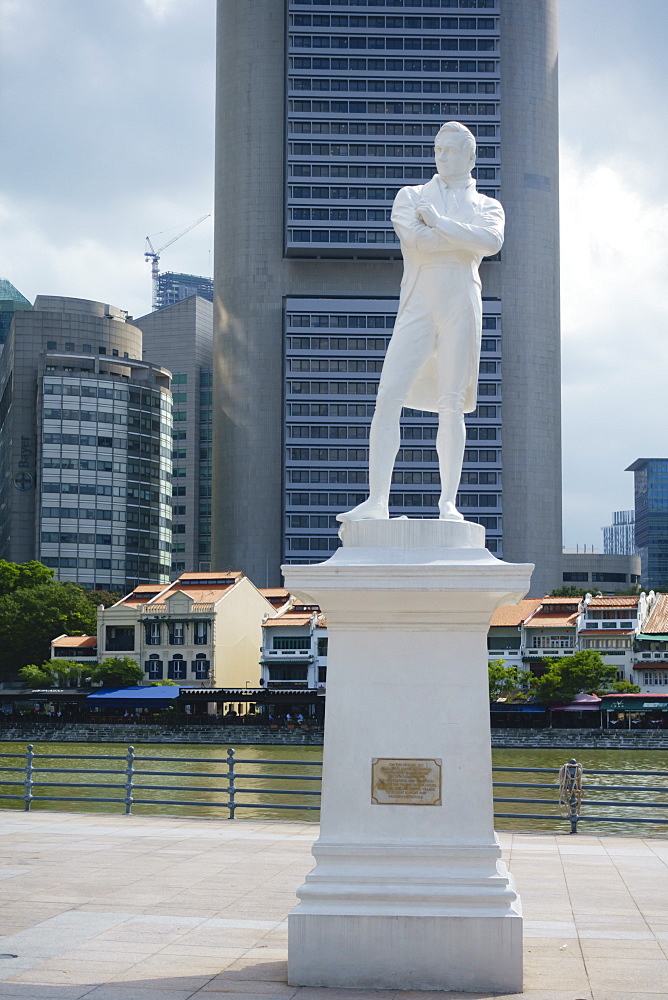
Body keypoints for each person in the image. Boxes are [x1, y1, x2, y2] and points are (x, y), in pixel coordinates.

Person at [337, 121, 504, 523]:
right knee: (388, 394)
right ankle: (378, 500)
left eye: (450, 150)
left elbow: (491, 242)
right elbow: (419, 242)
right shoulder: (410, 196)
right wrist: (457, 239)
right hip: (418, 304)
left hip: (460, 306)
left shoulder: (488, 205)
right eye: (438, 149)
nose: (441, 156)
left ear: (471, 155)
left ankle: (448, 501)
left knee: (452, 404)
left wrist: (442, 224)